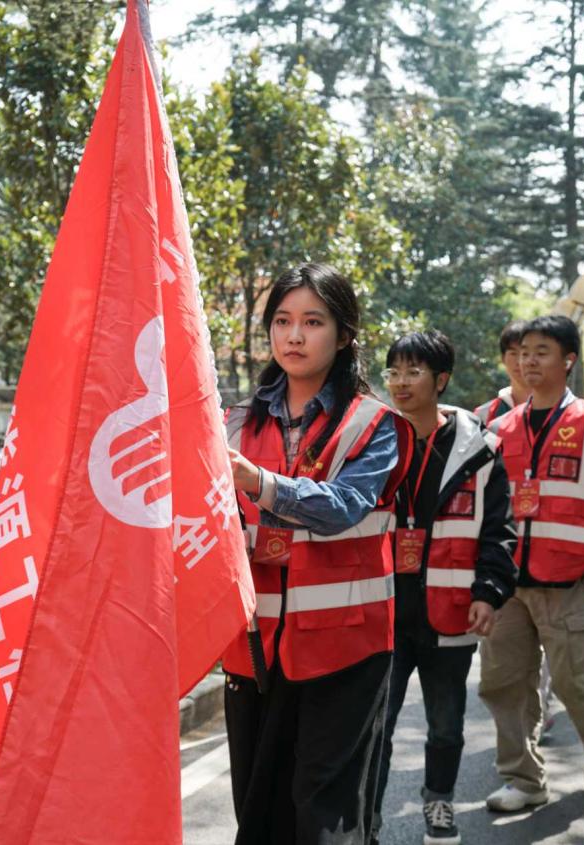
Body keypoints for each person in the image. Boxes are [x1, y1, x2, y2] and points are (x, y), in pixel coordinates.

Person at [222, 263, 412, 845]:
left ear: (345, 333)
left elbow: (343, 507)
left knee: (324, 810)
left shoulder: (375, 424)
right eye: (282, 321)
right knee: (258, 806)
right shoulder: (232, 422)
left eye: (312, 322)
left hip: (345, 646)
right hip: (254, 644)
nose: (294, 336)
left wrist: (259, 483)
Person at [479, 315, 584, 811]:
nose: (528, 361)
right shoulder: (499, 428)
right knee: (505, 684)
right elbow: (487, 507)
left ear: (568, 360)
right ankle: (524, 780)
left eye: (541, 351)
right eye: (523, 351)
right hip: (507, 584)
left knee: (578, 684)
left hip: (567, 580)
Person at [373, 331, 518, 845]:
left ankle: (439, 802)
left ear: (441, 380)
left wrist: (488, 592)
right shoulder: (372, 442)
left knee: (446, 724)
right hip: (384, 610)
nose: (401, 383)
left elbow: (499, 529)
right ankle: (367, 817)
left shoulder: (479, 449)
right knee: (376, 725)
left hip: (450, 608)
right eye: (393, 372)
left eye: (413, 372)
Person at [472, 318, 558, 733]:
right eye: (514, 353)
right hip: (502, 554)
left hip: (552, 553)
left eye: (533, 352)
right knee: (509, 652)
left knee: (552, 647)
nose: (522, 361)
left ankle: (542, 707)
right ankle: (523, 733)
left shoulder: (567, 413)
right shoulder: (484, 416)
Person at [473, 320, 530, 425]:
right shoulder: (484, 415)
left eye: (525, 353)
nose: (519, 361)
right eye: (513, 353)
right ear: (503, 358)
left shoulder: (556, 410)